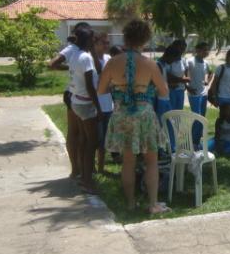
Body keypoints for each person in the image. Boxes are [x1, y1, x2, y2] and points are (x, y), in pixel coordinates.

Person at [98, 19, 170, 214]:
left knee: (128, 161)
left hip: (122, 114)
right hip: (144, 115)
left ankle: (130, 203)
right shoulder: (150, 64)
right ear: (145, 40)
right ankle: (153, 204)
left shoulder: (113, 62)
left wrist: (120, 88)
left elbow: (101, 89)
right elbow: (164, 93)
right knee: (151, 161)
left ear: (126, 37)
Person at [48, 21, 91, 179]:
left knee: (79, 133)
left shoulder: (82, 49)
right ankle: (76, 169)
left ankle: (78, 168)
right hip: (74, 93)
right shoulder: (72, 48)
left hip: (77, 93)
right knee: (75, 133)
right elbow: (52, 64)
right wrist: (71, 69)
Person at [69, 27, 102, 193]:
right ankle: (88, 181)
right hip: (86, 104)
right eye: (93, 39)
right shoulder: (86, 58)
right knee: (92, 142)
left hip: (76, 101)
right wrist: (99, 108)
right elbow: (90, 86)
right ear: (88, 41)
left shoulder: (75, 55)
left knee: (84, 140)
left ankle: (83, 176)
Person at [92, 31, 114, 173]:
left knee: (104, 140)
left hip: (108, 104)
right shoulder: (90, 59)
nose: (106, 45)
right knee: (95, 139)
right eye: (103, 43)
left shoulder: (108, 58)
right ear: (95, 44)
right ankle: (91, 166)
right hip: (95, 105)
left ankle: (101, 167)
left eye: (108, 43)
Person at [187, 42, 212, 146]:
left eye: (207, 50)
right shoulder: (190, 61)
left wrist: (208, 81)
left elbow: (211, 73)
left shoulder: (206, 63)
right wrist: (187, 87)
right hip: (194, 94)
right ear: (197, 50)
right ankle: (191, 141)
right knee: (197, 118)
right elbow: (183, 75)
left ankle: (197, 141)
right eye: (203, 50)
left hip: (203, 94)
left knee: (202, 118)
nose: (205, 52)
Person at [166, 39, 189, 110]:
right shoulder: (170, 59)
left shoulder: (183, 60)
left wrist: (186, 86)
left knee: (179, 112)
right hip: (171, 89)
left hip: (181, 89)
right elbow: (166, 74)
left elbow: (185, 74)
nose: (182, 50)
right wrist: (181, 80)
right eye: (181, 48)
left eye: (184, 49)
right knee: (171, 112)